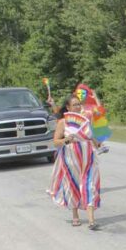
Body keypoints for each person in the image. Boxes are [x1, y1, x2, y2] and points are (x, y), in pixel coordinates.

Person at [48, 95, 101, 230]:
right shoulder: (63, 122)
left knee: (90, 185)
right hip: (71, 158)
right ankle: (75, 215)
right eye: (75, 104)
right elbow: (55, 142)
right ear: (68, 107)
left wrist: (98, 143)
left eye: (79, 104)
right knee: (73, 185)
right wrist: (67, 140)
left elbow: (91, 137)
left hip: (88, 157)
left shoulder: (85, 120)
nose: (78, 107)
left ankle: (91, 220)